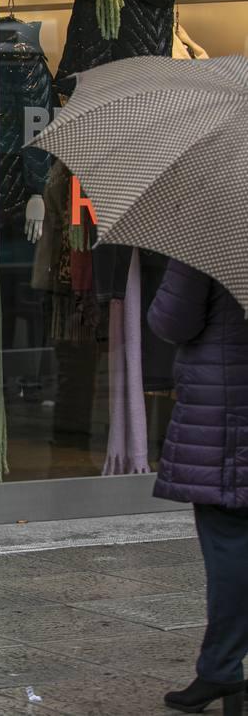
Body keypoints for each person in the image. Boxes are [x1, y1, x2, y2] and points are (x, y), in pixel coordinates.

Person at [147, 261, 247, 716]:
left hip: (228, 410)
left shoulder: (212, 230)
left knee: (230, 542)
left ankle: (223, 670)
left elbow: (171, 321)